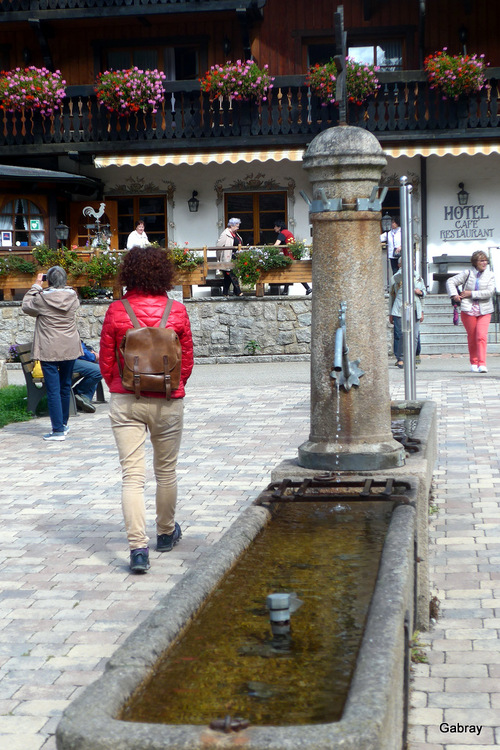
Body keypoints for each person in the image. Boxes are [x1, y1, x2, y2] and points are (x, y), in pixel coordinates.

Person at [99, 245, 194, 573]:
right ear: (164, 274)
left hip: (127, 400)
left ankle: (138, 549)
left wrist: (121, 386)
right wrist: (172, 386)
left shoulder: (116, 310)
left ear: (129, 274)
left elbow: (106, 361)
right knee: (166, 471)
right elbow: (188, 362)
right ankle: (166, 534)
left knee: (132, 476)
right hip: (168, 401)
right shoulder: (177, 311)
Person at [22, 266, 83, 441]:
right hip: (70, 347)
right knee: (65, 386)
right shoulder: (73, 297)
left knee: (54, 390)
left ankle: (57, 431)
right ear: (65, 280)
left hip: (49, 348)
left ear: (48, 281)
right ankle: (63, 424)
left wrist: (35, 286)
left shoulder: (41, 299)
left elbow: (26, 306)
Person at [446, 250, 495, 373]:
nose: (484, 263)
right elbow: (450, 281)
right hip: (468, 310)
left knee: (481, 336)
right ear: (475, 262)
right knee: (472, 337)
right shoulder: (467, 273)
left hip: (484, 310)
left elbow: (490, 292)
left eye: (486, 261)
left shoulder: (490, 275)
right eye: (481, 260)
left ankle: (482, 363)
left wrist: (470, 293)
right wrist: (454, 295)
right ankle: (474, 362)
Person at [389, 257, 426, 369]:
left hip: (415, 307)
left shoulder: (418, 276)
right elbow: (392, 294)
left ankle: (411, 358)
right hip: (400, 307)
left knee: (414, 336)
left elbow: (424, 293)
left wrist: (420, 293)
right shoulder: (397, 276)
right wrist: (390, 312)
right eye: (408, 262)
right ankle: (401, 358)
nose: (412, 264)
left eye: (413, 262)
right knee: (401, 334)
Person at [273, 220, 311, 295]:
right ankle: (307, 288)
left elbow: (276, 244)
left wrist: (270, 250)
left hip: (290, 256)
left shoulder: (283, 233)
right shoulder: (287, 232)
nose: (274, 228)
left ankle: (285, 291)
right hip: (292, 255)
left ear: (279, 227)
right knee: (292, 273)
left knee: (289, 273)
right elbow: (282, 247)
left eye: (275, 227)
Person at [216, 218, 244, 297]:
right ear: (231, 225)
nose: (238, 228)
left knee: (228, 276)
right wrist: (219, 259)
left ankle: (225, 292)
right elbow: (218, 246)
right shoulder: (225, 234)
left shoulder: (236, 234)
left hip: (235, 257)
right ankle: (238, 291)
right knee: (232, 274)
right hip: (227, 257)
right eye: (237, 226)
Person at [72, 342, 102, 413]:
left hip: (74, 358)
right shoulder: (65, 331)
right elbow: (77, 348)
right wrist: (93, 356)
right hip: (65, 361)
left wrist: (91, 352)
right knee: (98, 371)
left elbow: (80, 344)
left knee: (97, 365)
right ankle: (75, 394)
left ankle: (85, 397)